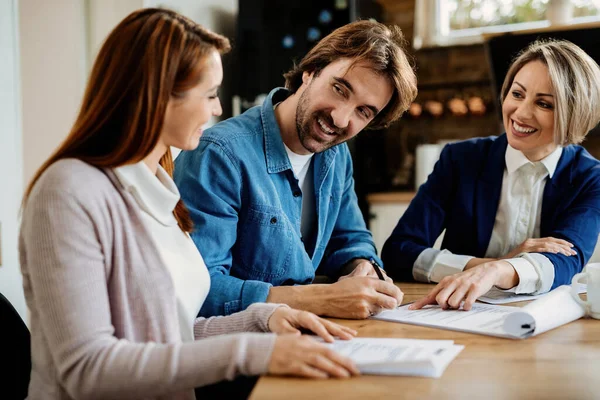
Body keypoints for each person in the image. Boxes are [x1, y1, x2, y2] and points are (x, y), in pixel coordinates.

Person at [19, 9, 361, 400]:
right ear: (158, 93)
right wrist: (255, 351)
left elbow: (171, 333)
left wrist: (264, 319)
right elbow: (87, 369)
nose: (217, 110)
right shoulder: (68, 192)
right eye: (210, 94)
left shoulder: (156, 186)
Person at [174, 20, 418, 319]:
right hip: (237, 349)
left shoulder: (336, 156)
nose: (341, 119)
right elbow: (197, 289)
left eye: (363, 111)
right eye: (340, 89)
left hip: (305, 336)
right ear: (311, 72)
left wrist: (362, 267)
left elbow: (350, 239)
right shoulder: (220, 154)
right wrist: (317, 298)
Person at [381, 39, 600, 311]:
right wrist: (486, 267)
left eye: (544, 104)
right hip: (455, 312)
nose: (520, 113)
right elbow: (399, 251)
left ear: (575, 113)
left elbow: (566, 262)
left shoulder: (590, 178)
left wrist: (499, 272)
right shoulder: (460, 159)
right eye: (517, 94)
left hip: (540, 322)